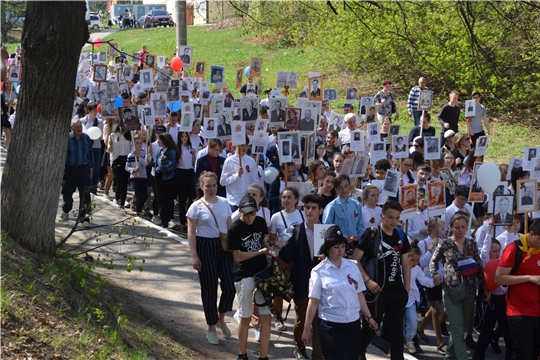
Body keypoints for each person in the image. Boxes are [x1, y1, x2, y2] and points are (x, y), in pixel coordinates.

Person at [302, 225, 378, 360]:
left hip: (353, 324)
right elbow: (313, 302)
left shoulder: (353, 267)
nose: (340, 251)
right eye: (336, 247)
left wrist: (369, 317)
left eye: (342, 246)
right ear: (327, 248)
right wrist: (307, 328)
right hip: (331, 326)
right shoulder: (318, 271)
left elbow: (359, 294)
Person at [354, 201, 411, 360]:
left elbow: (406, 263)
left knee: (397, 333)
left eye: (397, 218)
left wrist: (406, 289)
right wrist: (367, 281)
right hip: (376, 292)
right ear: (382, 216)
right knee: (370, 328)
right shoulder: (371, 234)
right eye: (390, 217)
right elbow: (355, 260)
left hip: (397, 291)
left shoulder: (400, 234)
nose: (393, 221)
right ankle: (359, 353)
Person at [430, 212, 489, 360]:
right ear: (451, 227)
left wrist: (486, 288)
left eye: (463, 227)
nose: (461, 230)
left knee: (460, 329)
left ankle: (449, 356)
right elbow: (433, 261)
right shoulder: (444, 244)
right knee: (457, 330)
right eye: (457, 227)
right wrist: (435, 274)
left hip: (469, 290)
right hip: (452, 291)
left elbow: (479, 267)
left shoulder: (471, 244)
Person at [186, 171, 235, 345]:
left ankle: (221, 318)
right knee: (209, 289)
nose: (211, 189)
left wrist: (234, 249)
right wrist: (194, 255)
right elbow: (191, 232)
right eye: (208, 186)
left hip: (223, 246)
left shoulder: (224, 203)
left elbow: (230, 227)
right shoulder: (196, 207)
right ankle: (211, 327)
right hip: (205, 246)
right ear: (201, 186)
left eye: (214, 185)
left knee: (230, 287)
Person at [279, 194, 325, 360]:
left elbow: (337, 255)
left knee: (319, 322)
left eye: (314, 208)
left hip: (323, 284)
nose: (310, 211)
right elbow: (286, 257)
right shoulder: (294, 230)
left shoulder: (327, 231)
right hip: (301, 282)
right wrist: (282, 245)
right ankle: (299, 346)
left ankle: (318, 355)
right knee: (302, 318)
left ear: (320, 211)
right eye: (307, 207)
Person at [228, 195, 272, 360]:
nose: (249, 217)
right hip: (244, 275)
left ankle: (264, 356)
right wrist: (260, 252)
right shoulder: (235, 228)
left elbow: (264, 239)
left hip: (262, 273)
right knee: (245, 316)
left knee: (266, 315)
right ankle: (242, 354)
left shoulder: (260, 222)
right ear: (239, 211)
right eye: (246, 214)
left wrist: (271, 244)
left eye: (252, 213)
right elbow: (237, 257)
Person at [495, 219, 540, 360]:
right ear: (531, 234)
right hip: (520, 311)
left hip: (538, 310)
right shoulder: (514, 249)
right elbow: (499, 278)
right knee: (523, 354)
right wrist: (528, 278)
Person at [417, 217, 449, 355]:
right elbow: (421, 264)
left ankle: (420, 328)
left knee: (435, 306)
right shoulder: (423, 243)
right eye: (442, 229)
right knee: (436, 308)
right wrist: (430, 249)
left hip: (441, 277)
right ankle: (439, 341)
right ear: (434, 231)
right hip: (429, 278)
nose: (445, 231)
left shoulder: (443, 242)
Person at [404, 239, 441, 354]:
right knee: (398, 322)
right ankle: (397, 341)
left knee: (413, 320)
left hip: (409, 300)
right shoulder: (398, 268)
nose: (415, 263)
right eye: (412, 260)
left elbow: (424, 280)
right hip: (397, 299)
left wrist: (433, 282)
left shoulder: (416, 269)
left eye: (417, 260)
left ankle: (409, 339)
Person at [60, 119, 94, 227]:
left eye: (80, 126)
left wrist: (91, 168)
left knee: (85, 194)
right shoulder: (67, 139)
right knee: (67, 194)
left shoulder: (86, 138)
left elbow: (90, 154)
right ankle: (66, 209)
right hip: (69, 170)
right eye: (76, 127)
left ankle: (84, 218)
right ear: (71, 128)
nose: (79, 128)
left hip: (83, 169)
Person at [322, 174, 365, 251]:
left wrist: (360, 240)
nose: (344, 190)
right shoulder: (331, 207)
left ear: (350, 186)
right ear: (336, 188)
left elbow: (360, 225)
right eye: (340, 187)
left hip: (355, 245)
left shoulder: (356, 204)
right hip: (338, 245)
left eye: (346, 186)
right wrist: (344, 237)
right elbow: (327, 228)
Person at [220, 139, 259, 211]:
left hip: (247, 201)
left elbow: (255, 180)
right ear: (236, 146)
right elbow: (223, 181)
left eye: (246, 145)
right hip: (233, 201)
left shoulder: (251, 161)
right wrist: (236, 175)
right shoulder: (229, 161)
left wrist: (252, 193)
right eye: (242, 145)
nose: (245, 148)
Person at [152, 133, 179, 228]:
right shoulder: (159, 151)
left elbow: (171, 165)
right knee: (160, 200)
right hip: (159, 178)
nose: (157, 141)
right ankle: (164, 223)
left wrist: (159, 168)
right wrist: (150, 163)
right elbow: (156, 163)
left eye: (159, 140)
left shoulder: (171, 152)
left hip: (168, 179)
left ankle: (168, 220)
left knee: (168, 201)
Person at [125, 134, 149, 216]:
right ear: (133, 144)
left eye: (140, 143)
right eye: (137, 143)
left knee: (145, 194)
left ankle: (138, 206)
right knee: (138, 193)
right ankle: (138, 211)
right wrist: (133, 170)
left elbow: (145, 164)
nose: (139, 145)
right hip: (135, 177)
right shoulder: (130, 155)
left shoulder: (144, 154)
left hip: (143, 176)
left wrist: (138, 157)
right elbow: (127, 167)